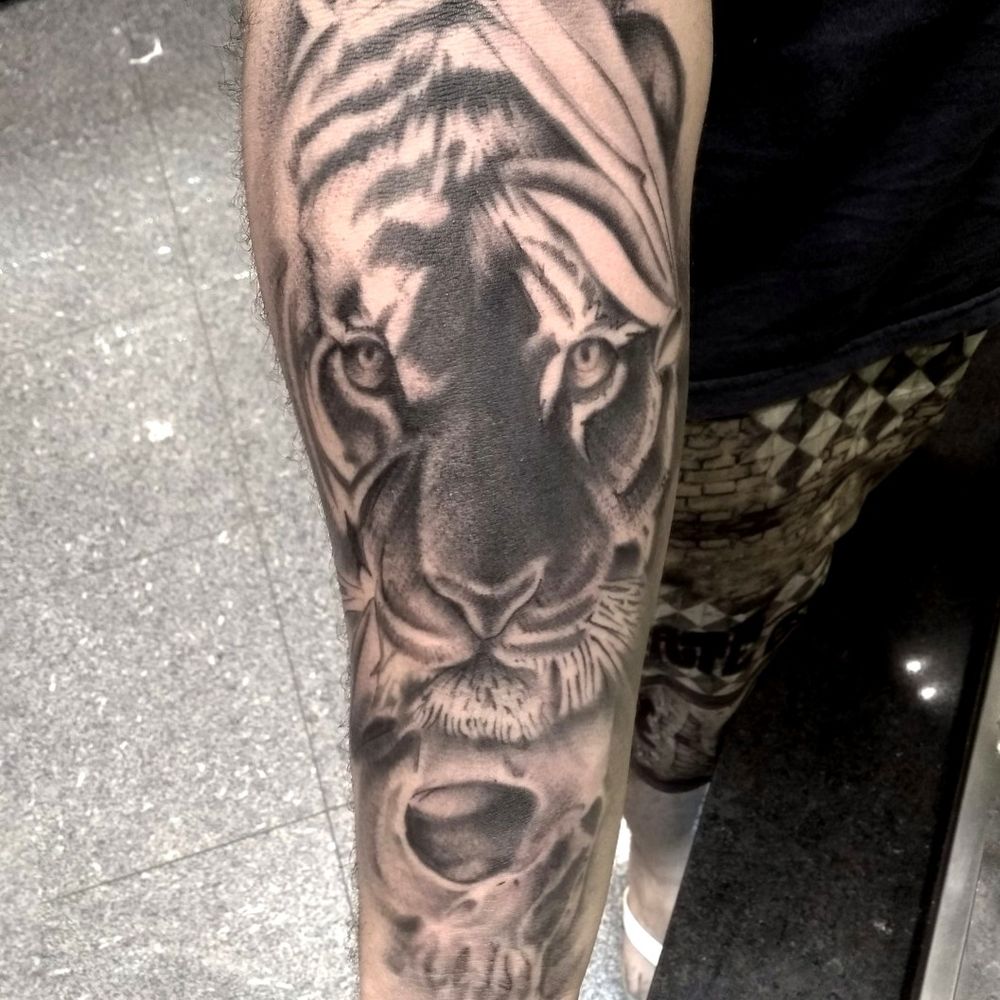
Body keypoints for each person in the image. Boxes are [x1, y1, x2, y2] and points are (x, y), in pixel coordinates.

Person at [239, 0, 1000, 997]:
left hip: (909, 235)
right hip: (737, 340)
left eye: (584, 355)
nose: (483, 571)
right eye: (373, 362)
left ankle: (670, 812)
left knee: (733, 620)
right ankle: (667, 839)